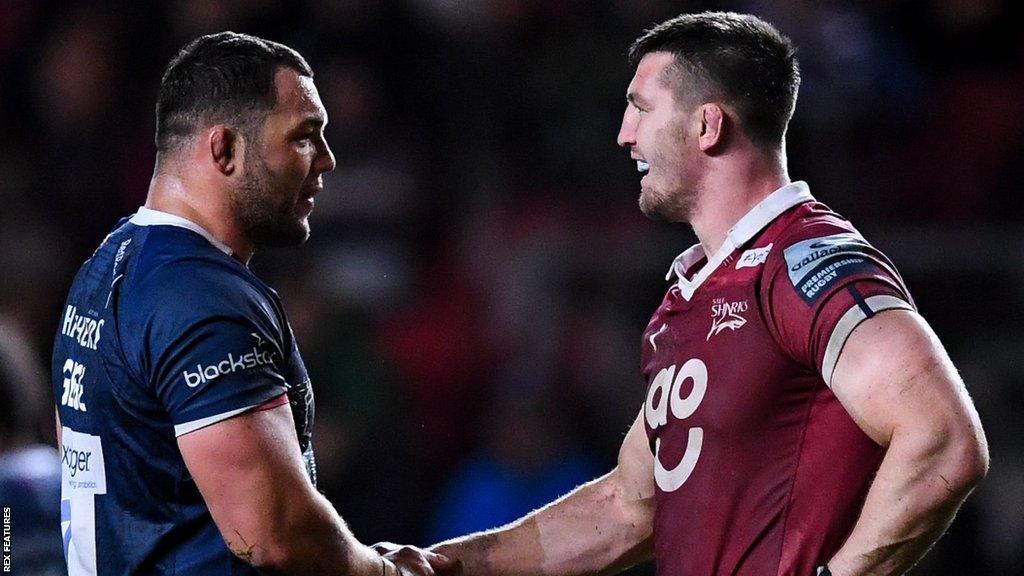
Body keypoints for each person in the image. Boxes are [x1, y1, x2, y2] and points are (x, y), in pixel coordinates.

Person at [402, 11, 989, 576]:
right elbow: (627, 510)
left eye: (640, 109)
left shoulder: (806, 261)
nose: (624, 135)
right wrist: (442, 565)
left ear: (707, 125)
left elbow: (943, 438)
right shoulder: (690, 298)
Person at [51, 32, 451, 576]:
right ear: (224, 149)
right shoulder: (198, 296)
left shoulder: (107, 264)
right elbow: (273, 534)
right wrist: (383, 572)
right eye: (305, 137)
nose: (328, 161)